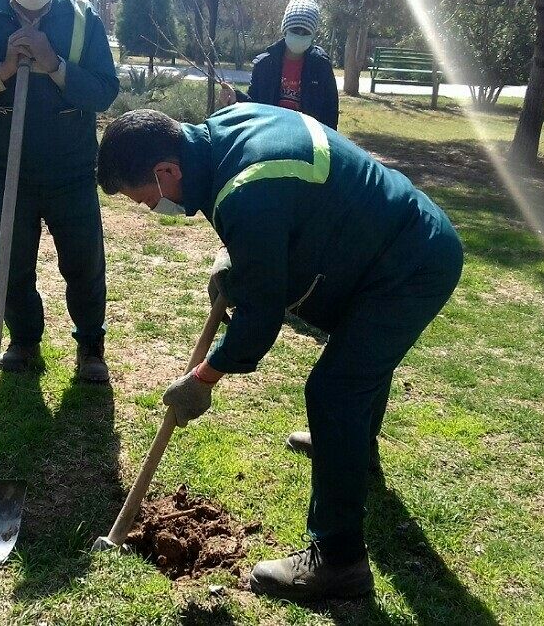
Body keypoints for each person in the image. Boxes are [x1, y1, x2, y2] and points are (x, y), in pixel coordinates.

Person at [95, 104, 463, 601]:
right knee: (353, 373)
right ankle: (351, 446)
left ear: (166, 170)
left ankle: (338, 561)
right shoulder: (223, 131)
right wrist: (238, 266)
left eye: (145, 199)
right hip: (383, 243)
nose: (150, 209)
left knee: (336, 389)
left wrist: (203, 378)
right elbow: (278, 219)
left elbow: (260, 320)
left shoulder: (246, 190)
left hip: (409, 264)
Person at [0, 0, 119, 382]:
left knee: (83, 263)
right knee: (12, 263)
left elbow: (104, 91)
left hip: (71, 171)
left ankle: (91, 345)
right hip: (8, 170)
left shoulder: (80, 16)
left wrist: (54, 64)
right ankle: (24, 341)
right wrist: (1, 71)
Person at [219, 0, 338, 128]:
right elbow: (254, 106)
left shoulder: (321, 66)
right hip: (270, 137)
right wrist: (236, 97)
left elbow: (330, 113)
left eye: (305, 32)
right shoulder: (264, 65)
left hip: (307, 141)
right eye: (295, 29)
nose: (300, 35)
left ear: (312, 35)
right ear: (285, 29)